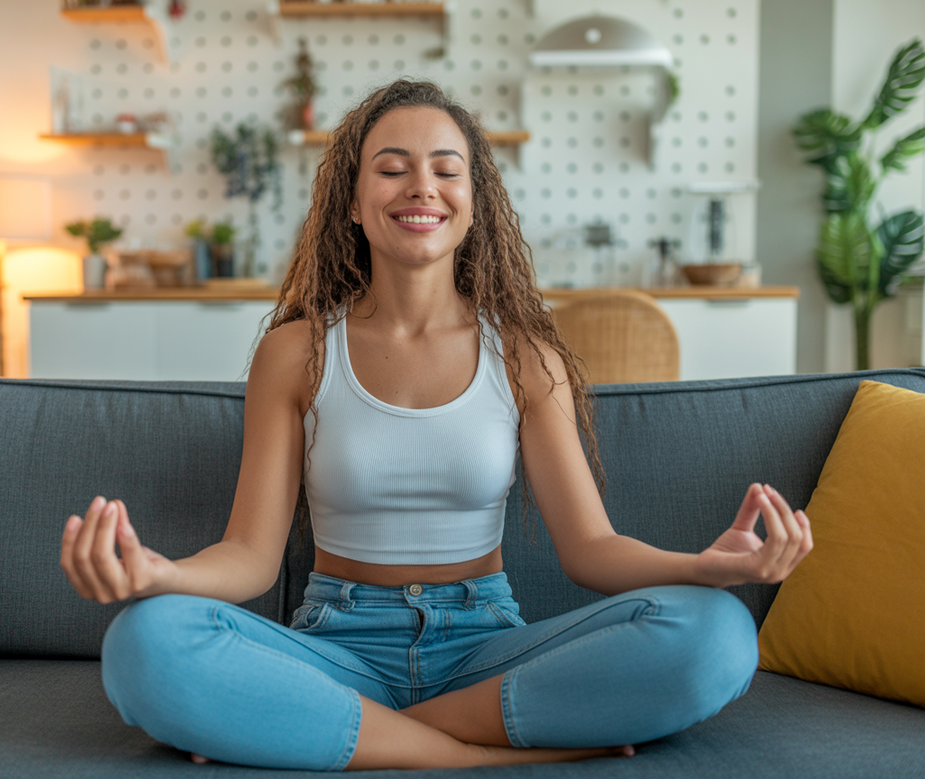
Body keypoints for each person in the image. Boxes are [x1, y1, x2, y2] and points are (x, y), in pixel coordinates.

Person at [60, 79, 813, 771]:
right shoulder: (296, 353)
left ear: (473, 202)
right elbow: (251, 557)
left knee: (715, 634)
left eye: (446, 169)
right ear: (351, 202)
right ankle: (472, 754)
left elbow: (592, 549)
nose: (421, 184)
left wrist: (705, 566)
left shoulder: (524, 355)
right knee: (146, 640)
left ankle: (342, 730)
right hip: (336, 642)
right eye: (391, 167)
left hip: (484, 643)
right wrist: (161, 576)